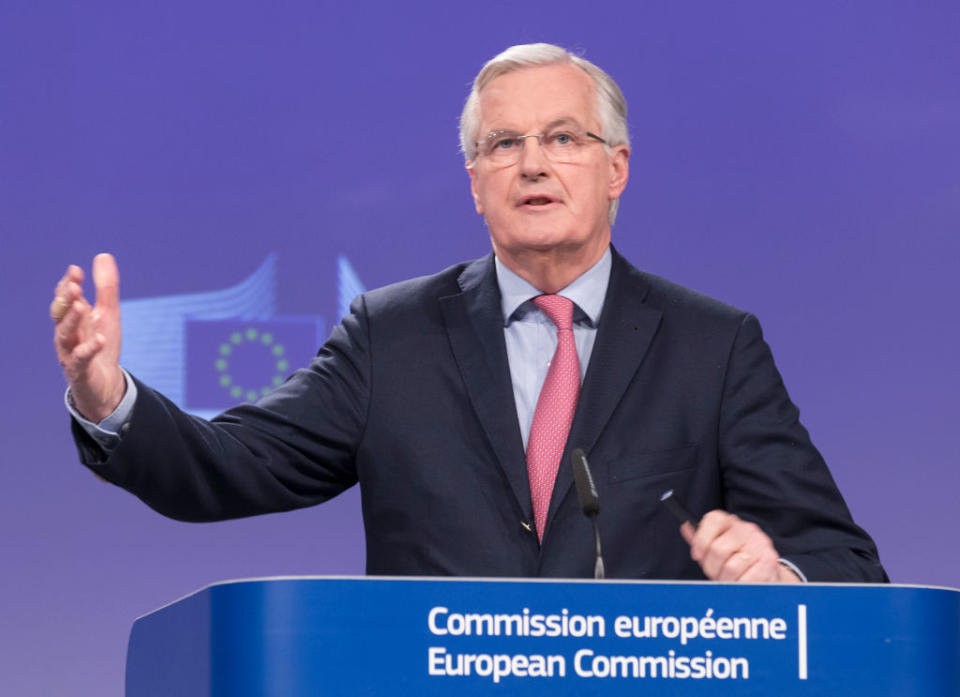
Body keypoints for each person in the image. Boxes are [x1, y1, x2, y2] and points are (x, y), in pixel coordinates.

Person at [51, 43, 886, 583]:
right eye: (502, 144)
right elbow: (227, 465)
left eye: (563, 138)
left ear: (616, 167)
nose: (533, 164)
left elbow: (848, 563)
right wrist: (107, 398)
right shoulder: (392, 334)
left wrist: (780, 577)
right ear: (475, 183)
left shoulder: (714, 345)